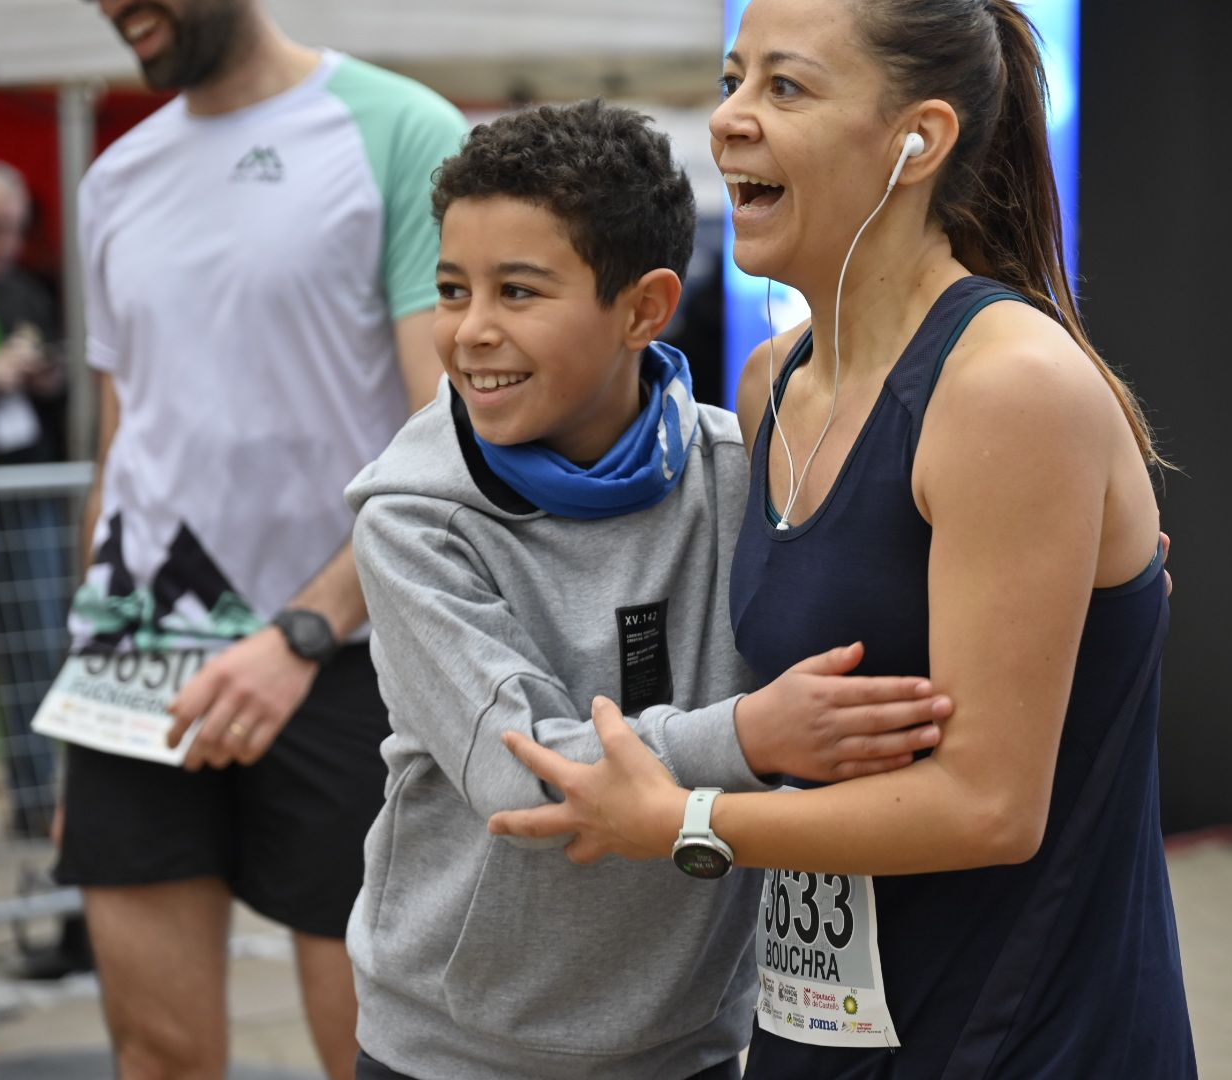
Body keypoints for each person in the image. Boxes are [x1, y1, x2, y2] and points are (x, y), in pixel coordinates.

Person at [489, 1, 1198, 1076]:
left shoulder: (1006, 386)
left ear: (918, 139)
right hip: (817, 1031)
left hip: (1022, 1036)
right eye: (732, 79)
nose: (728, 119)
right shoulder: (774, 383)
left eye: (785, 86)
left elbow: (988, 806)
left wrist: (687, 817)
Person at [345, 99, 951, 1080]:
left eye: (520, 291)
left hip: (691, 1047)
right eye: (453, 290)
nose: (471, 332)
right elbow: (524, 771)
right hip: (452, 1055)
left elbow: (876, 599)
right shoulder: (413, 517)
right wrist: (748, 737)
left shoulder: (738, 467)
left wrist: (1066, 575)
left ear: (644, 307)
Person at [52, 2, 467, 1077]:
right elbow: (121, 440)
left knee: (376, 1051)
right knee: (157, 1050)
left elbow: (444, 439)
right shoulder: (116, 175)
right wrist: (79, 682)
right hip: (139, 641)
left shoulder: (401, 129)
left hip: (346, 648)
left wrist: (301, 635)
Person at [0, 160, 68, 839]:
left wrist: (45, 378)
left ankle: (36, 797)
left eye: (10, 231)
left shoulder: (29, 293)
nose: (0, 247)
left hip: (26, 483)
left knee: (35, 639)